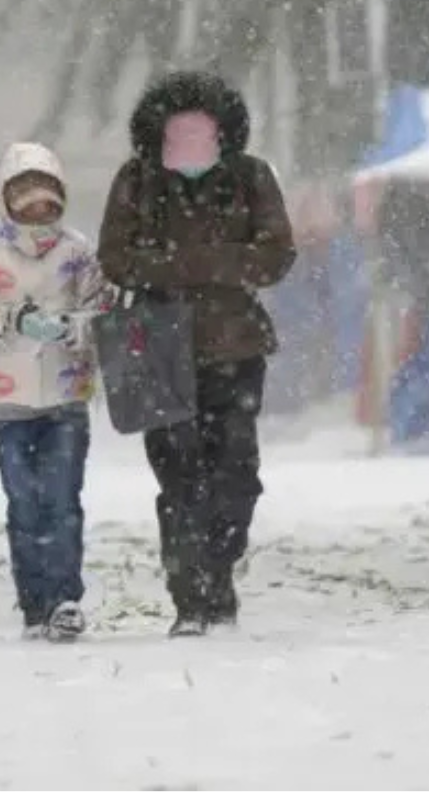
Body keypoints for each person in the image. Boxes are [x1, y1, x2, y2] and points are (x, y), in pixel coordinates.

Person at [98, 70, 295, 637]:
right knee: (180, 474)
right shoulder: (136, 181)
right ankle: (190, 593)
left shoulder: (251, 178)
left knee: (237, 472)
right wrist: (208, 265)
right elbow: (116, 258)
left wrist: (196, 265)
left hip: (236, 346)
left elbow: (276, 254)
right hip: (159, 349)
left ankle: (219, 567)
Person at [0, 141, 107, 642]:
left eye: (47, 199)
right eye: (27, 198)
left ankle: (64, 599)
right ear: (7, 199)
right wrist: (8, 318)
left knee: (62, 500)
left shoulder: (78, 253)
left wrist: (69, 328)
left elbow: (102, 314)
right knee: (23, 502)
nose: (38, 210)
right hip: (8, 398)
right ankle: (34, 602)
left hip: (65, 396)